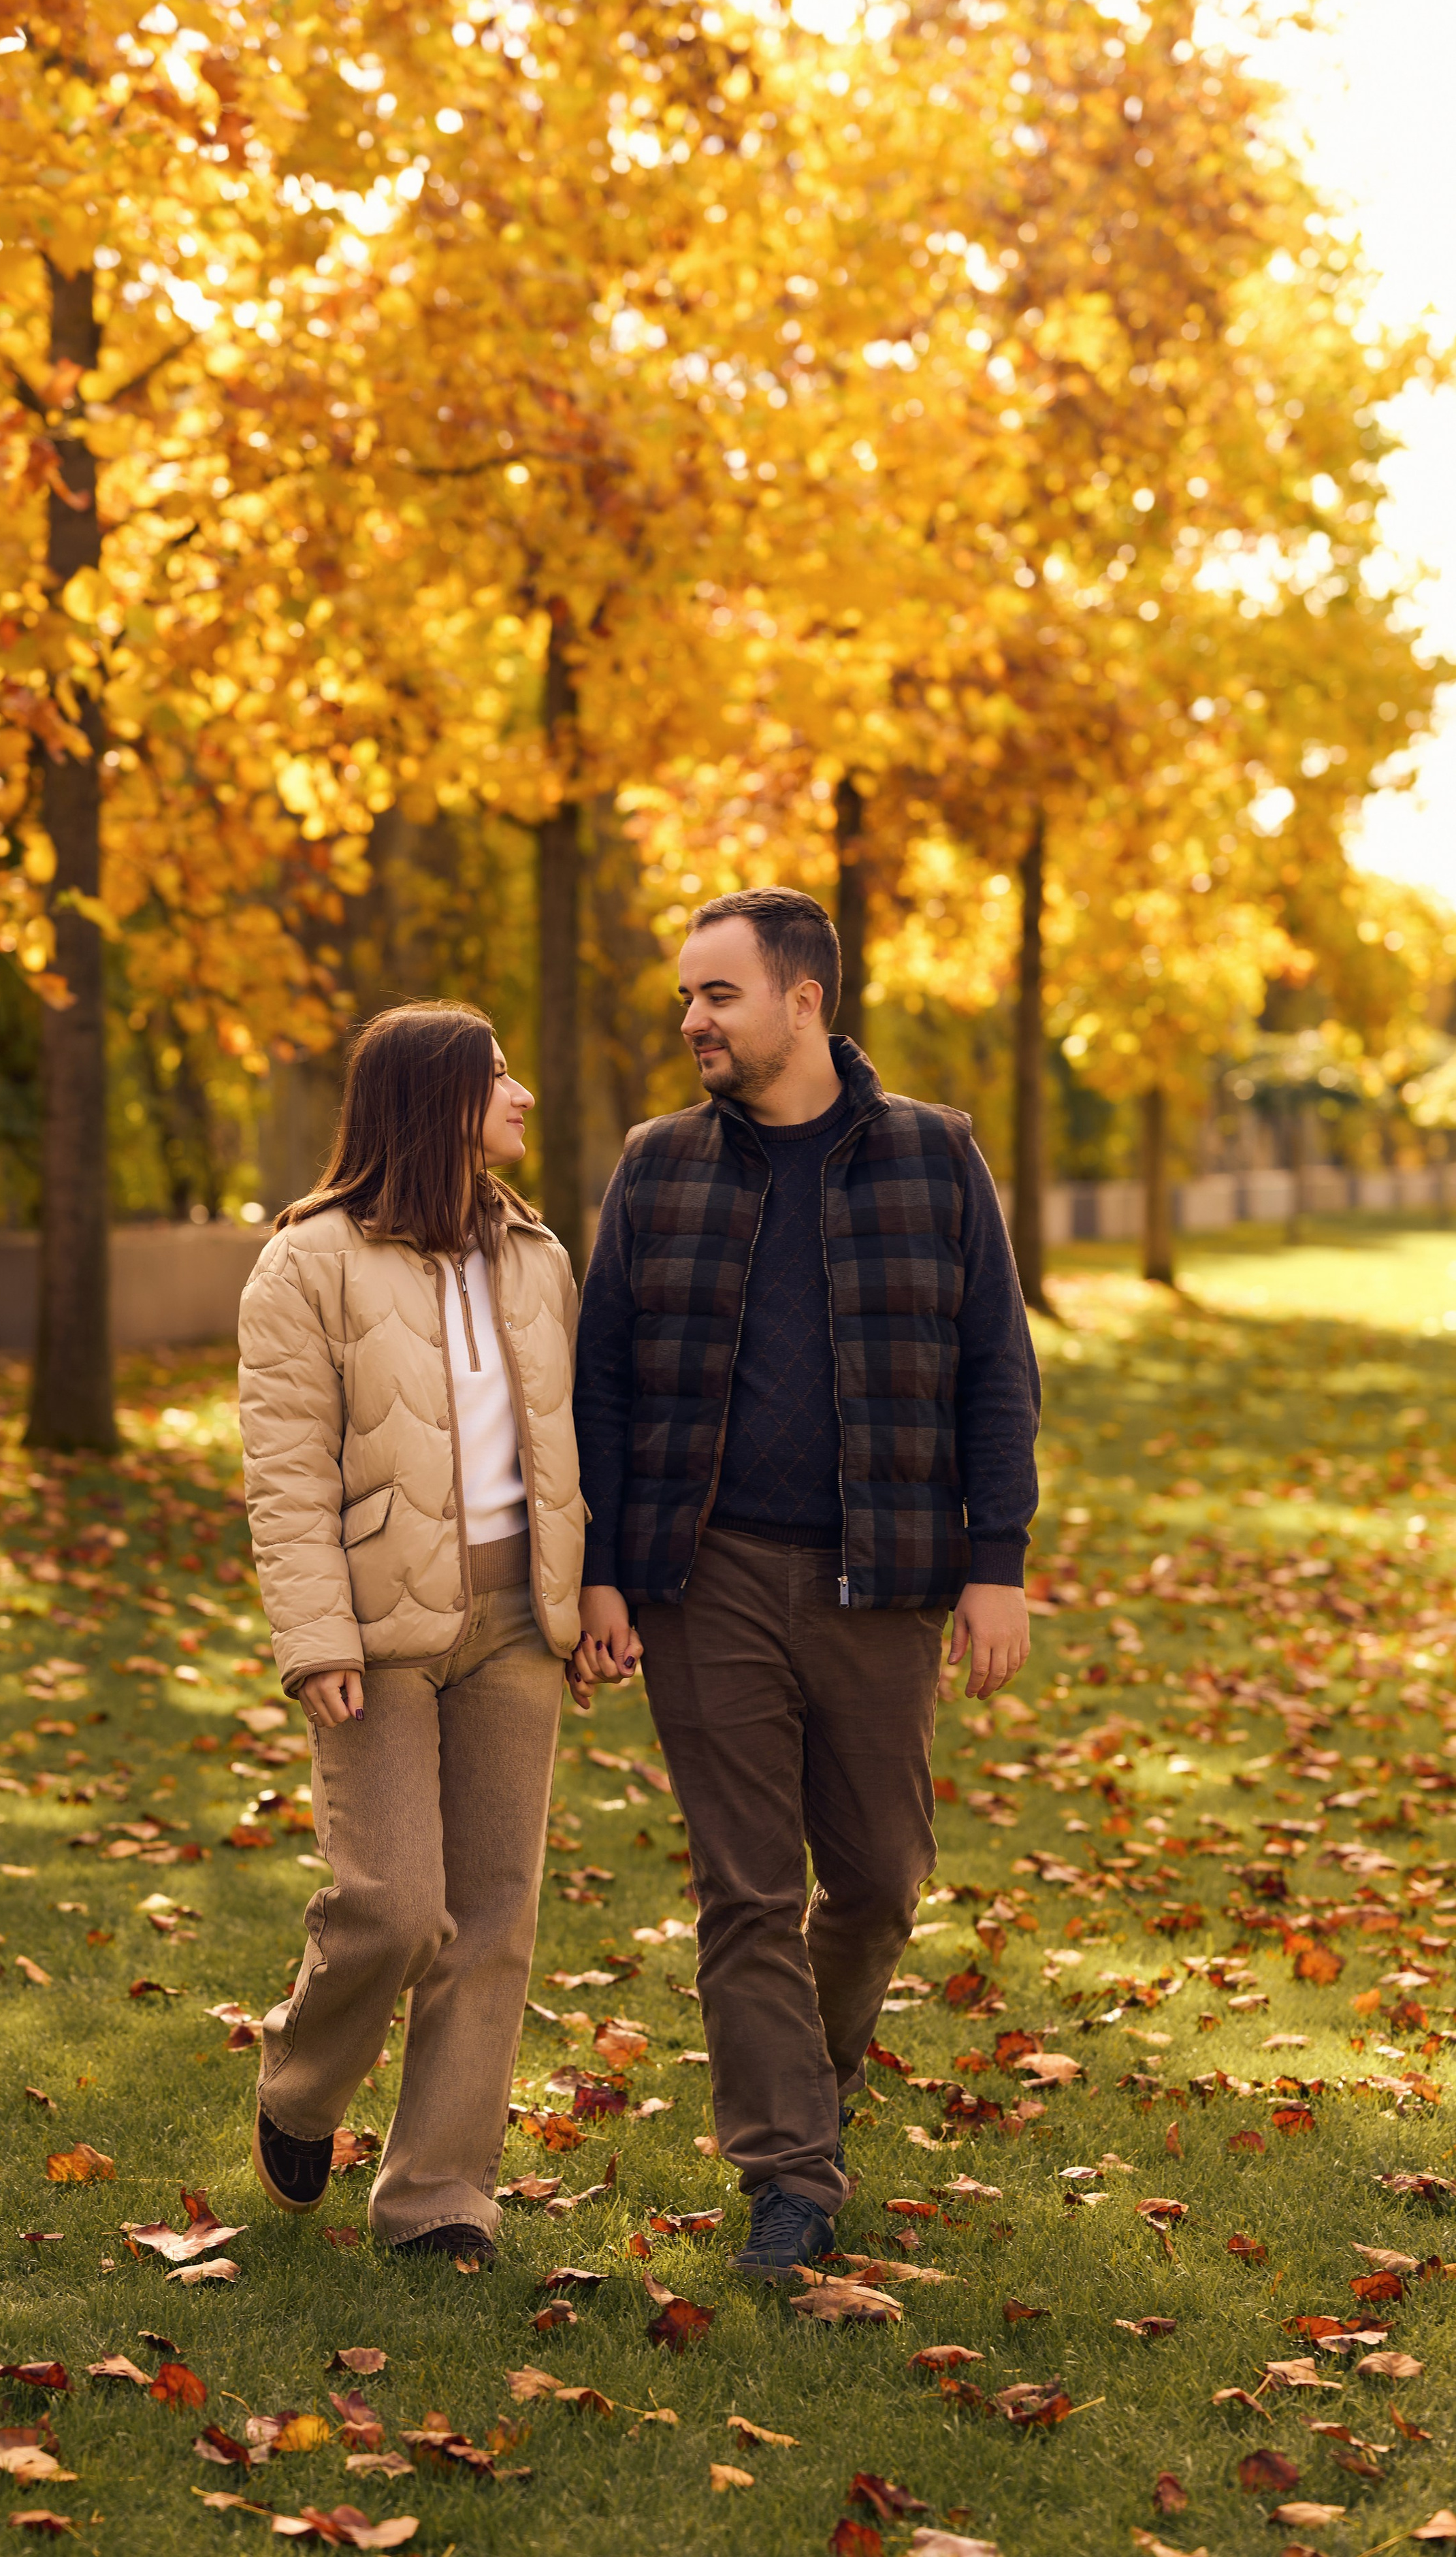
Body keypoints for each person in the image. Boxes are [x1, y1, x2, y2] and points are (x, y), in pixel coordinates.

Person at [570, 887, 1039, 2278]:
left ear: (802, 1000)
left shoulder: (930, 1158)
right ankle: (789, 2175)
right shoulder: (655, 1167)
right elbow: (599, 1382)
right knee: (744, 1891)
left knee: (882, 1881)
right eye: (682, 998)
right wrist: (601, 1572)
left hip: (881, 1580)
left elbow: (991, 1368)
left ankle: (808, 2079)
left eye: (716, 994)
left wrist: (994, 1564)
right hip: (700, 1577)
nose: (692, 1020)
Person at [238, 1002, 589, 2266]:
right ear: (433, 1096)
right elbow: (284, 1474)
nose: (523, 1093)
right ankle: (300, 2081)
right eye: (498, 1073)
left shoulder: (539, 1256)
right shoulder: (308, 1263)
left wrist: (589, 1600)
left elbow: (565, 1450)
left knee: (495, 1920)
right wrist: (317, 1634)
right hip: (376, 1636)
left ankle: (439, 2195)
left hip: (517, 1628)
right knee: (392, 1907)